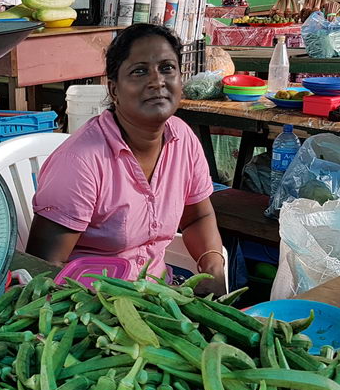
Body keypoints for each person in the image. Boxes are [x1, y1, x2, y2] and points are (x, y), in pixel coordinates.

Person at [26, 23, 226, 295]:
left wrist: (213, 266)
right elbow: (44, 269)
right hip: (91, 304)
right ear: (114, 89)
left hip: (158, 296)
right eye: (139, 71)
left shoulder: (183, 139)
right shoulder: (81, 161)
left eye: (167, 68)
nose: (157, 81)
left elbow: (197, 216)